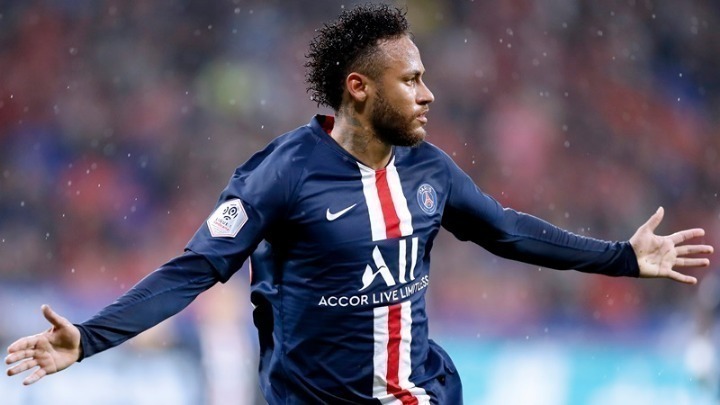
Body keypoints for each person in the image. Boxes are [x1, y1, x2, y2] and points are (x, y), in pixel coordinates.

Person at [5, 4, 714, 404]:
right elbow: (193, 269)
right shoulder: (281, 175)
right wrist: (90, 337)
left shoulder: (429, 170)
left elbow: (506, 231)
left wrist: (623, 258)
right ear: (359, 88)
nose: (428, 94)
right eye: (411, 80)